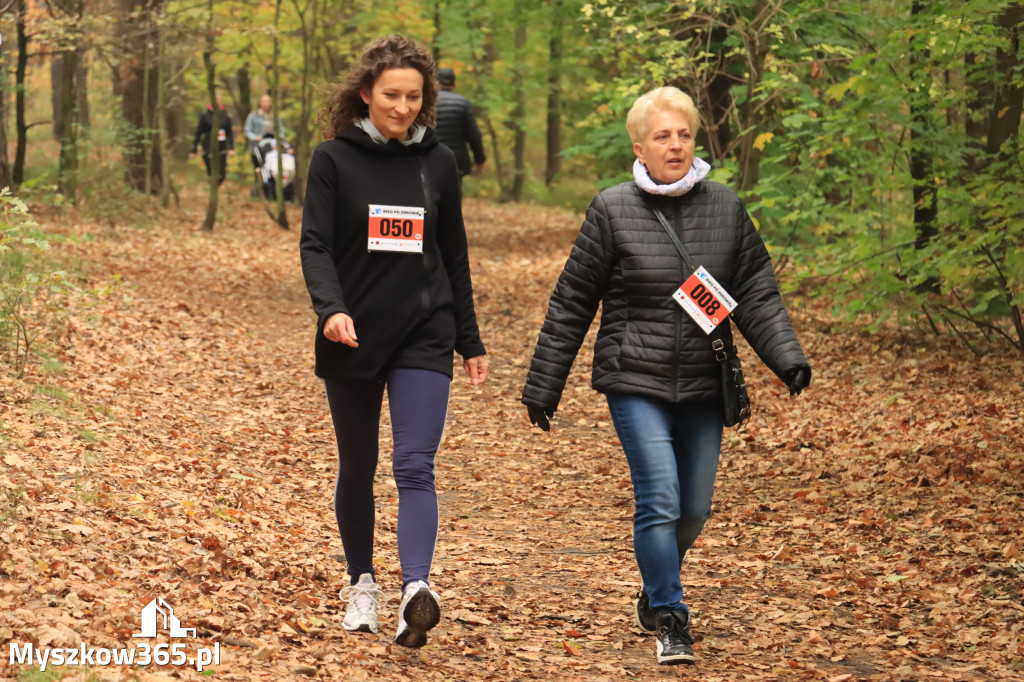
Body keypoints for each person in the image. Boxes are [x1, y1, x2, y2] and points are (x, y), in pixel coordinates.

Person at [521, 86, 811, 666]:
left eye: (683, 135)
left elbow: (756, 290)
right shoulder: (612, 209)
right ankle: (671, 617)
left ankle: (654, 586)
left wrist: (787, 358)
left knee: (695, 507)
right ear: (640, 147)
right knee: (660, 499)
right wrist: (544, 383)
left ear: (694, 141)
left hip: (704, 380)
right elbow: (572, 300)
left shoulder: (725, 206)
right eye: (662, 136)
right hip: (635, 378)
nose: (674, 145)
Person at [299, 34, 489, 650]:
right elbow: (316, 246)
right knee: (358, 466)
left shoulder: (438, 163)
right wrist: (330, 308)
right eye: (391, 95)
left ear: (426, 100)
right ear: (365, 94)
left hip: (423, 333)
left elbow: (453, 254)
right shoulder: (333, 159)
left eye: (413, 97)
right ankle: (362, 583)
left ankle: (416, 591)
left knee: (415, 464)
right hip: (352, 332)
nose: (402, 107)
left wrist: (469, 338)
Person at [434, 67, 486, 182]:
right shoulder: (463, 103)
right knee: (454, 196)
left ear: (436, 83)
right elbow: (474, 136)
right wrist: (480, 160)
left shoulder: (427, 101)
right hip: (456, 161)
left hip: (431, 159)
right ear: (454, 84)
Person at [244, 94, 287, 195]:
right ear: (260, 103)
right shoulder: (253, 116)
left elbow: (281, 130)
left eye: (268, 101)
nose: (266, 103)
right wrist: (255, 137)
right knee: (259, 168)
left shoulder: (275, 116)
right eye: (264, 101)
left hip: (272, 148)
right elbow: (247, 130)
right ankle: (260, 189)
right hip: (257, 147)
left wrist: (279, 140)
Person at [189, 93, 235, 185]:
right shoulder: (205, 116)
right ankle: (211, 185)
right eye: (215, 99)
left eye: (219, 100)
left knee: (222, 172)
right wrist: (193, 150)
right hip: (208, 146)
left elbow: (229, 133)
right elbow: (199, 133)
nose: (217, 102)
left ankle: (216, 187)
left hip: (222, 147)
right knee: (211, 169)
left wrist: (231, 148)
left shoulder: (225, 116)